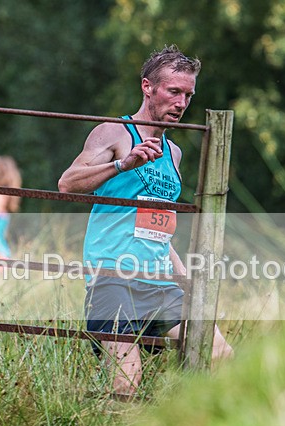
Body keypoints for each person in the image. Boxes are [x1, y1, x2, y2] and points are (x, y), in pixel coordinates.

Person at [58, 45, 233, 397]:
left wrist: (184, 278)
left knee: (220, 354)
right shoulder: (114, 133)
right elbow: (67, 183)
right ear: (147, 87)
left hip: (158, 284)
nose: (181, 103)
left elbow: (159, 227)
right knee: (126, 384)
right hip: (113, 279)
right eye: (174, 92)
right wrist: (122, 165)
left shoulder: (174, 153)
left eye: (188, 95)